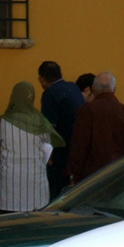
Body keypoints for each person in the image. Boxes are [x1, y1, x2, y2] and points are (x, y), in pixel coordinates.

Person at [0, 81, 65, 213]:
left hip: (10, 181)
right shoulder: (40, 121)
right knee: (34, 219)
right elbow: (47, 145)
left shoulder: (2, 121)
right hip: (35, 180)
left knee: (9, 221)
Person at [66, 72, 124, 184]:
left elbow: (79, 145)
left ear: (93, 89)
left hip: (91, 177)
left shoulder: (88, 110)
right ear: (114, 89)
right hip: (119, 173)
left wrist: (74, 173)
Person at [37, 60, 85, 197]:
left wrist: (49, 155)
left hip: (61, 151)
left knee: (55, 193)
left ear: (42, 79)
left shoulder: (50, 94)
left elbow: (49, 127)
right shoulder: (74, 88)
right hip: (76, 147)